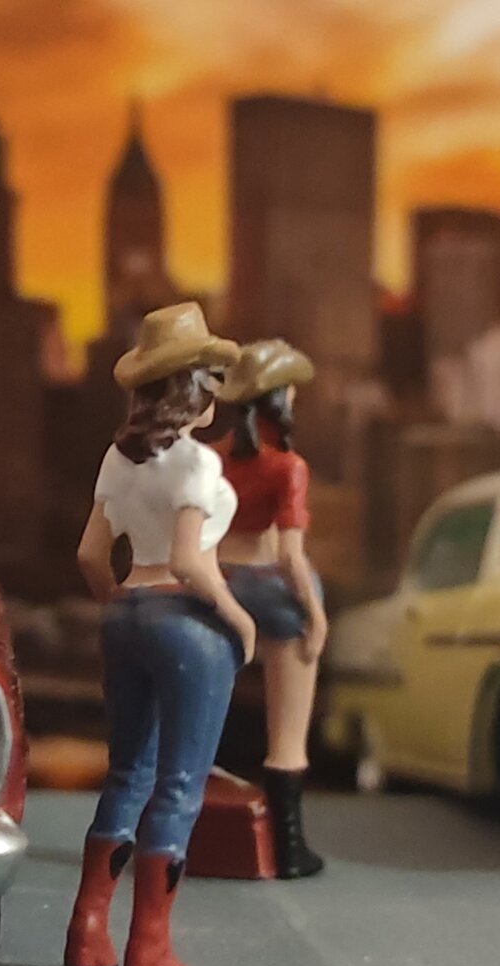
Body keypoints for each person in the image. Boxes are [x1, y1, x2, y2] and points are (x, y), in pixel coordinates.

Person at [63, 302, 256, 966]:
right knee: (178, 786)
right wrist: (237, 618)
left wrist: (120, 603)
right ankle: (150, 953)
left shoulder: (119, 458)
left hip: (128, 613)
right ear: (192, 389)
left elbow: (91, 555)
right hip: (184, 621)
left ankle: (87, 933)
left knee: (127, 775)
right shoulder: (198, 461)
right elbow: (189, 559)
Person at [212, 339, 327, 878]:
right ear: (281, 399)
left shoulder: (210, 459)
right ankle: (289, 848)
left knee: (199, 720)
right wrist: (316, 615)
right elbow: (290, 557)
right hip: (272, 588)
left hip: (217, 583)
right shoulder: (289, 467)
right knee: (287, 733)